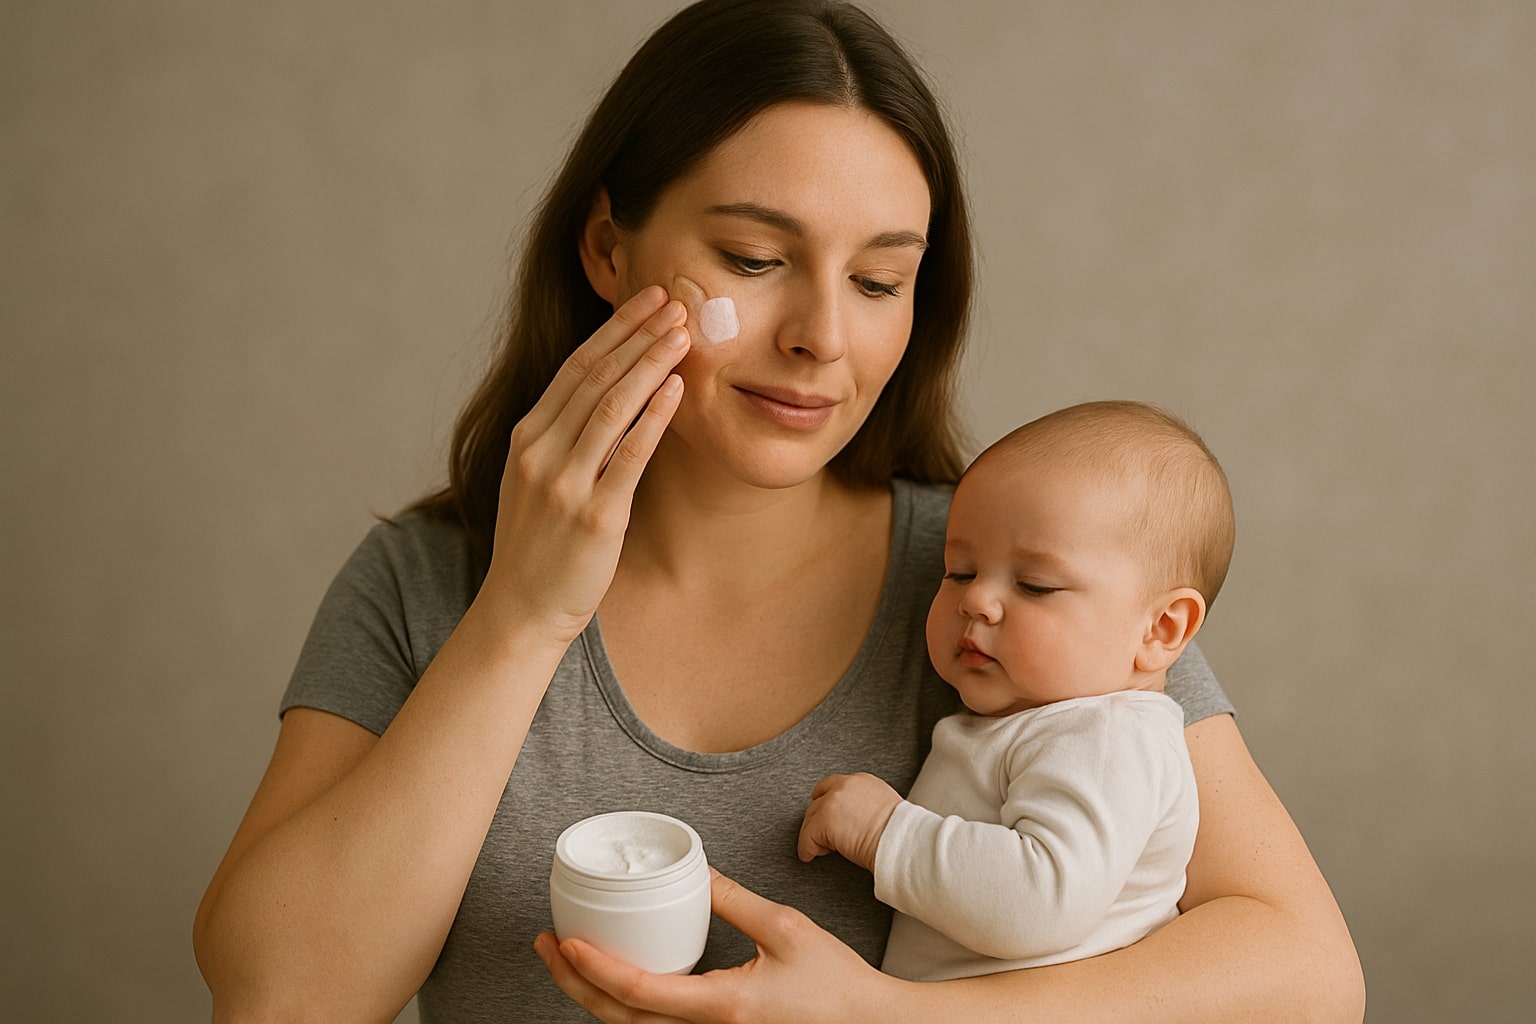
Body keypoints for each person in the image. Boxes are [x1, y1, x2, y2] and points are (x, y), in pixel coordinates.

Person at [192, 1, 1364, 1021]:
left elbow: (1307, 975)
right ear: (608, 246)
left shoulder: (1008, 584)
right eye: (755, 257)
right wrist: (521, 618)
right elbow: (283, 997)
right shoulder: (425, 580)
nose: (822, 336)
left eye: (877, 280)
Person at [797, 400, 1232, 982]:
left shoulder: (1108, 736)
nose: (976, 600)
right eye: (959, 571)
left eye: (1035, 585)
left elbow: (1044, 899)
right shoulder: (1043, 722)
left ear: (1161, 629)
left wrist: (884, 832)